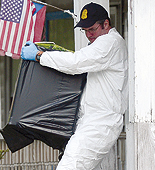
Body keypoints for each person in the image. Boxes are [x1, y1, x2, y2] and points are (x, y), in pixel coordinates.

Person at [21, 2, 128, 170]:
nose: (88, 35)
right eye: (85, 30)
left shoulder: (109, 42)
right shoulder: (104, 43)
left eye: (92, 29)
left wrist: (40, 56)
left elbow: (76, 62)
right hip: (93, 121)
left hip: (100, 122)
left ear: (105, 24)